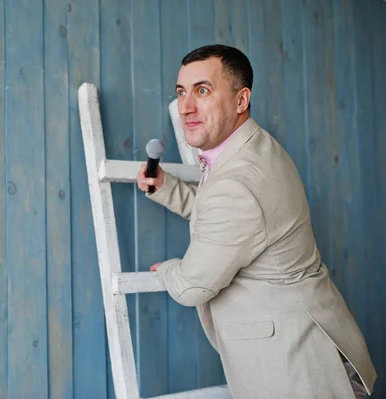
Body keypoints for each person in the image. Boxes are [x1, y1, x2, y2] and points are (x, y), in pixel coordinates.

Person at [136, 44, 377, 399]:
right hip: (307, 345)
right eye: (181, 92)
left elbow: (193, 286)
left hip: (295, 371)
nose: (186, 106)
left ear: (240, 100)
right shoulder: (251, 149)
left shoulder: (238, 180)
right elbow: (233, 222)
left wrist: (166, 270)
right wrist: (168, 188)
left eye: (202, 90)